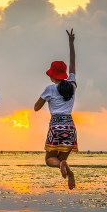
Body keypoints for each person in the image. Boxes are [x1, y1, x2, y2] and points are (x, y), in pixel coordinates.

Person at [34, 29, 78, 189]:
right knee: (62, 158)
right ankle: (67, 169)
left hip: (55, 125)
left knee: (49, 160)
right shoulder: (72, 85)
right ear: (65, 75)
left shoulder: (49, 89)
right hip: (69, 126)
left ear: (53, 76)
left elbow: (36, 108)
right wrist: (71, 43)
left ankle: (64, 167)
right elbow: (73, 63)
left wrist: (45, 100)